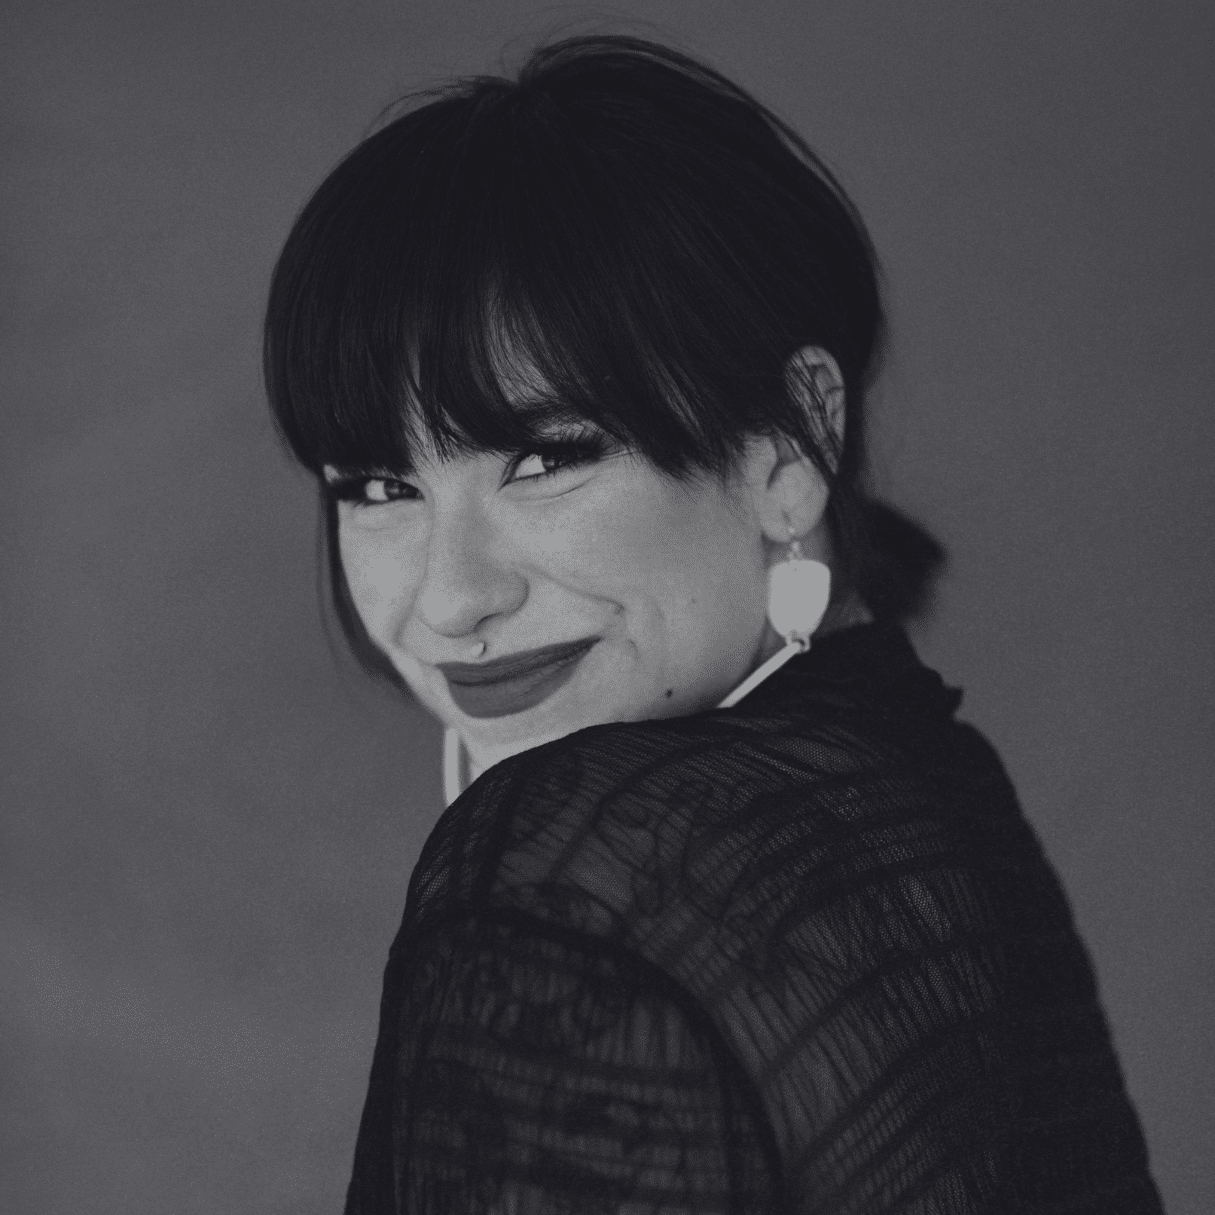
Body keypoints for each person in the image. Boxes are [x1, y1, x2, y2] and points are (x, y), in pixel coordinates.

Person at [263, 34, 1163, 1215]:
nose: (450, 598)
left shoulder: (559, 882)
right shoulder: (936, 793)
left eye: (544, 458)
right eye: (379, 488)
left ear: (792, 441)